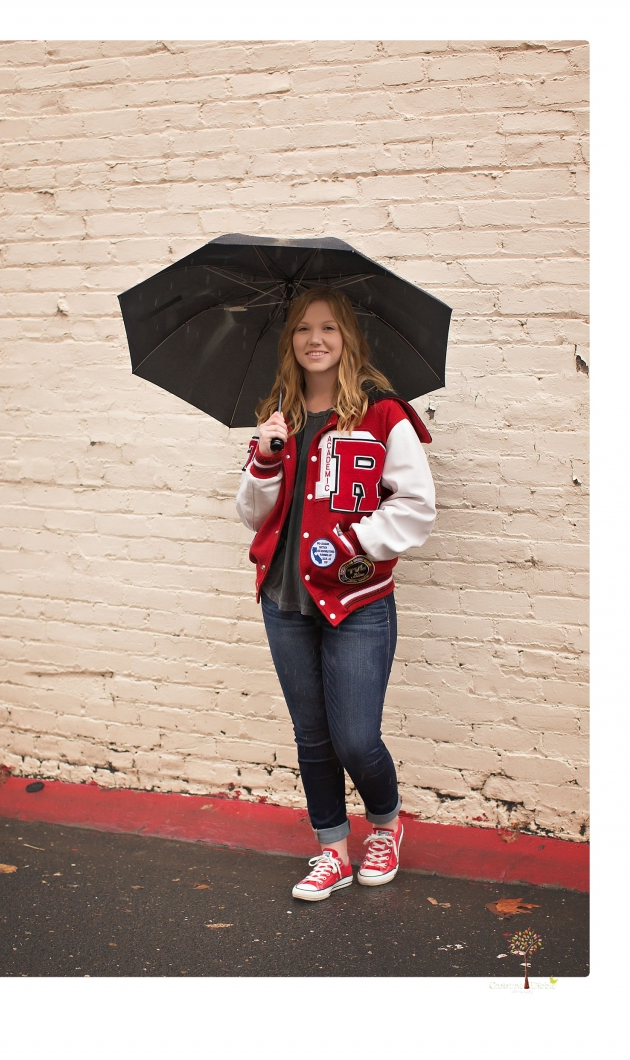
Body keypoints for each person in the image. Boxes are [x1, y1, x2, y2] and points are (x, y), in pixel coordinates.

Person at [235, 286, 436, 901]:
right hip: (285, 598)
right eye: (301, 330)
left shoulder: (382, 414)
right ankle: (330, 848)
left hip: (356, 600)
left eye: (327, 328)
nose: (314, 340)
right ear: (289, 341)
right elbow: (252, 514)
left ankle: (385, 825)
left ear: (347, 337)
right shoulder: (280, 415)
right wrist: (265, 461)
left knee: (355, 737)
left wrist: (353, 543)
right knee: (312, 736)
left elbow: (416, 507)